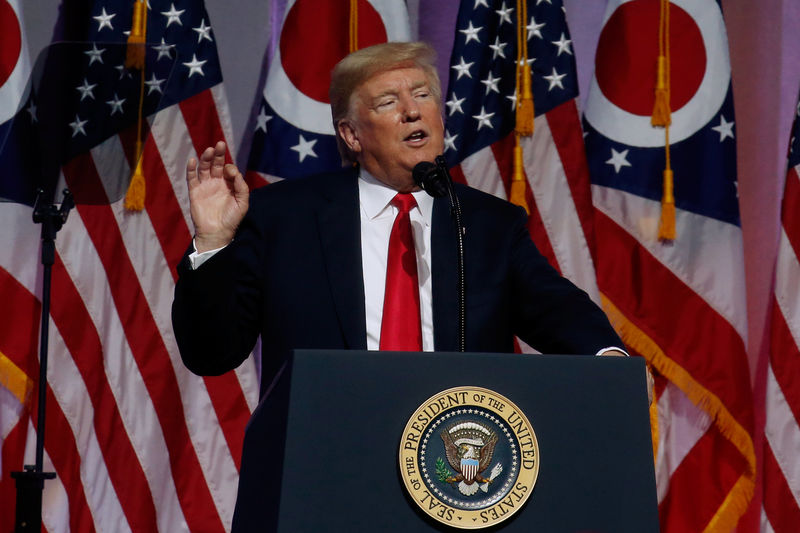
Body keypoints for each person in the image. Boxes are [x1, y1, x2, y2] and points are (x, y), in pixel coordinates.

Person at [171, 42, 627, 398]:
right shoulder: (283, 217)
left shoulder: (489, 224)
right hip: (324, 464)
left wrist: (607, 356)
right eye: (388, 101)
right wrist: (212, 242)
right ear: (351, 134)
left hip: (454, 467)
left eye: (423, 95)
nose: (412, 110)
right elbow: (212, 353)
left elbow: (559, 310)